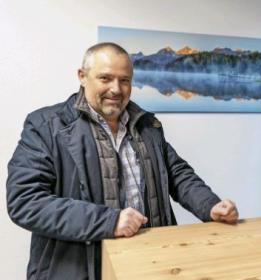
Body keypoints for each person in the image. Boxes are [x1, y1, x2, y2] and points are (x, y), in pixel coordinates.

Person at [6, 42, 238, 280]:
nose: (116, 89)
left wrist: (210, 205)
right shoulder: (45, 126)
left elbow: (177, 173)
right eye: (105, 78)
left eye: (124, 80)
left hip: (152, 263)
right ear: (82, 77)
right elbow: (25, 201)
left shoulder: (148, 125)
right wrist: (109, 221)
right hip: (80, 270)